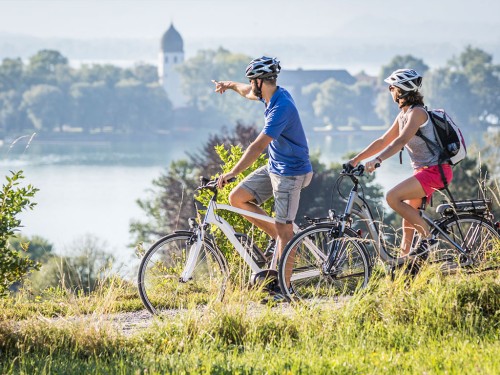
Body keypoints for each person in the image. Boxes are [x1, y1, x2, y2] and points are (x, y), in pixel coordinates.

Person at [212, 56, 313, 296]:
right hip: (276, 166)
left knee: (285, 230)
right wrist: (228, 84)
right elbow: (246, 91)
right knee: (238, 198)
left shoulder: (281, 107)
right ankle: (280, 237)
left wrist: (233, 172)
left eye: (252, 80)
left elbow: (257, 146)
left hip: (292, 172)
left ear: (260, 80)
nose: (250, 84)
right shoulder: (269, 94)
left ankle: (284, 288)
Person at [347, 68, 452, 259]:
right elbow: (383, 140)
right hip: (422, 172)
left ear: (402, 90)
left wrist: (378, 160)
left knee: (392, 197)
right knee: (407, 223)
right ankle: (404, 265)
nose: (390, 91)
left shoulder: (418, 113)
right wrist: (355, 160)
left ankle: (428, 238)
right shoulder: (404, 114)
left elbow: (400, 141)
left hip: (435, 172)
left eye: (392, 87)